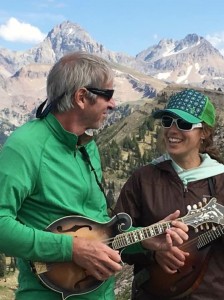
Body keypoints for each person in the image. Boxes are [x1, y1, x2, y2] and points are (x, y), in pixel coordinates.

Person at [0, 51, 189, 300]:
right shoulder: (24, 147)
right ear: (81, 97)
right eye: (107, 95)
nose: (113, 104)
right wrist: (72, 249)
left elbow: (99, 231)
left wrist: (144, 239)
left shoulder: (87, 144)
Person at [115, 89, 224, 300]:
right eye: (168, 121)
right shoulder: (143, 179)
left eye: (183, 124)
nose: (172, 130)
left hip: (211, 294)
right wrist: (153, 252)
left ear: (204, 133)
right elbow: (116, 240)